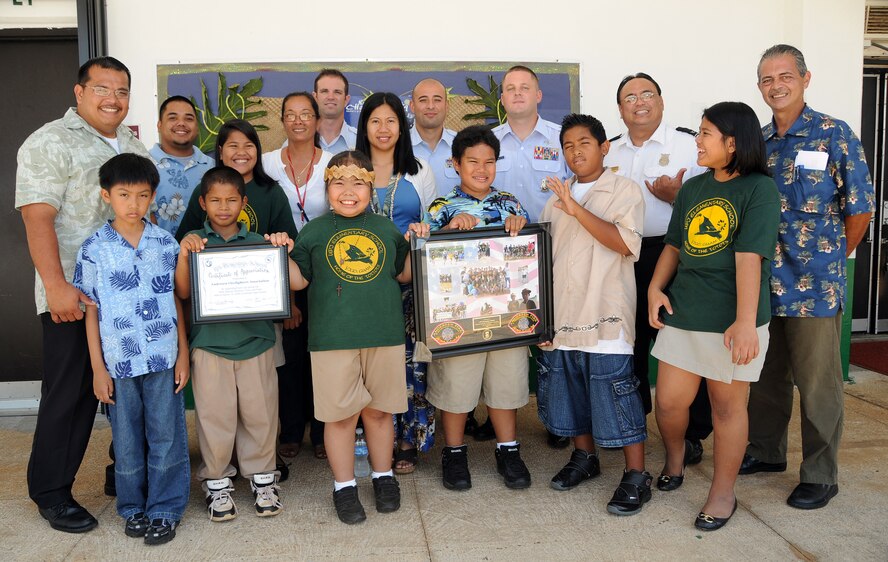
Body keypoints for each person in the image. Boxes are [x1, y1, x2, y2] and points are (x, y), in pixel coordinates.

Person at [15, 55, 149, 533]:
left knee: (128, 390)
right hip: (76, 297)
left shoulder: (133, 143)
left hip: (130, 300)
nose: (113, 99)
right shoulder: (50, 141)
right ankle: (51, 491)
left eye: (121, 91)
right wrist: (56, 286)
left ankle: (125, 473)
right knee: (71, 396)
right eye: (102, 89)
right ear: (80, 92)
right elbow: (37, 218)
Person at [741, 44, 875, 510]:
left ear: (805, 78)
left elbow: (860, 208)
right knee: (765, 377)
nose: (775, 86)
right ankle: (765, 451)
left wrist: (835, 259)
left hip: (815, 286)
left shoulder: (833, 134)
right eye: (766, 79)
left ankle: (820, 473)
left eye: (784, 76)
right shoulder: (757, 142)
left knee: (818, 384)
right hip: (763, 282)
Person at [649, 101, 781, 531]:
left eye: (705, 133)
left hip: (732, 318)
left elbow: (749, 258)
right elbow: (674, 244)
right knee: (668, 402)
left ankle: (723, 493)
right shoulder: (694, 187)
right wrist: (655, 287)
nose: (698, 141)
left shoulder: (760, 189)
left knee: (727, 409)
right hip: (686, 310)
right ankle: (675, 458)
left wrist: (745, 322)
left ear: (732, 141)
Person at [287, 151, 428, 524]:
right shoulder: (314, 231)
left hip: (384, 334)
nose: (348, 191)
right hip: (332, 339)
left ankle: (383, 477)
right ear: (327, 187)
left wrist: (419, 243)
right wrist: (278, 252)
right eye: (339, 182)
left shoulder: (386, 229)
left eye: (358, 183)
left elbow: (404, 275)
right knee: (341, 417)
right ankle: (344, 486)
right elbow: (297, 280)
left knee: (379, 412)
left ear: (370, 186)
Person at [537, 113, 651, 515]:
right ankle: (584, 458)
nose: (575, 151)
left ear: (604, 147)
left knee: (616, 392)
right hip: (564, 314)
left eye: (584, 143)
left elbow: (622, 243)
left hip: (606, 312)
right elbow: (545, 260)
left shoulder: (624, 190)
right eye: (568, 145)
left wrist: (575, 208)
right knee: (571, 392)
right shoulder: (555, 198)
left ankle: (636, 474)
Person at [75, 154, 190, 545]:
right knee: (125, 439)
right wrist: (97, 368)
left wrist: (183, 355)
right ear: (107, 195)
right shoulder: (93, 249)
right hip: (118, 363)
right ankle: (133, 507)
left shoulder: (165, 243)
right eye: (124, 194)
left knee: (166, 435)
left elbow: (176, 300)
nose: (134, 204)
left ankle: (165, 507)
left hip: (162, 357)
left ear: (152, 196)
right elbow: (92, 312)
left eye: (142, 195)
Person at [603, 73, 711, 462]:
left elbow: (712, 205)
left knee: (680, 346)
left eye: (647, 93)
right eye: (629, 97)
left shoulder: (688, 145)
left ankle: (694, 432)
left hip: (675, 256)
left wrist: (676, 195)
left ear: (662, 101)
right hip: (620, 259)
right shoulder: (608, 152)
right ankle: (631, 422)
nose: (639, 101)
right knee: (626, 344)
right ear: (620, 109)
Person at [174, 166, 288, 521]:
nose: (224, 207)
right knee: (215, 417)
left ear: (243, 202)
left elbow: (283, 285)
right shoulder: (194, 241)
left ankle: (262, 478)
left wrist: (280, 248)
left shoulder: (260, 243)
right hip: (210, 345)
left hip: (256, 341)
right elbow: (182, 292)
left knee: (261, 415)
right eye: (215, 200)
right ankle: (218, 481)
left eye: (231, 200)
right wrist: (184, 255)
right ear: (203, 203)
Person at [426, 125, 532, 491]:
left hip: (505, 313)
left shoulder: (511, 205)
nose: (482, 169)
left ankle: (509, 450)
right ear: (455, 164)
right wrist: (448, 233)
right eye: (472, 161)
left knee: (506, 380)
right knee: (457, 384)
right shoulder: (440, 208)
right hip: (459, 317)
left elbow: (529, 256)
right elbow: (426, 258)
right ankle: (454, 453)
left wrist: (521, 227)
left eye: (489, 161)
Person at [356, 92, 438, 474]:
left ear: (401, 127)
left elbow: (434, 225)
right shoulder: (351, 169)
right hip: (362, 289)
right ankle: (373, 436)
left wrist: (425, 230)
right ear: (364, 126)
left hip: (410, 286)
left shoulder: (420, 170)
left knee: (409, 364)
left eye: (391, 121)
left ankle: (408, 438)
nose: (384, 129)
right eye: (375, 121)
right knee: (369, 365)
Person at [262, 92, 332, 460]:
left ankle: (322, 432)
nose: (299, 120)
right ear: (283, 121)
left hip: (326, 274)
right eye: (291, 114)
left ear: (318, 121)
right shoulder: (267, 164)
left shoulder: (334, 165)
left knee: (322, 352)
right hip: (283, 273)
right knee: (288, 353)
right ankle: (291, 430)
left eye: (307, 114)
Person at [492, 65, 566, 222]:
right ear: (503, 99)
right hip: (499, 239)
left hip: (552, 238)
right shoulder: (486, 142)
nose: (517, 93)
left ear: (538, 96)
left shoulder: (562, 139)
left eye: (524, 88)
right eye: (510, 89)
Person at [150, 95, 214, 237]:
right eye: (172, 118)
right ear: (159, 125)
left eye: (189, 118)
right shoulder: (144, 164)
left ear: (197, 127)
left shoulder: (212, 167)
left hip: (205, 253)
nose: (181, 123)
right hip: (160, 255)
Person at [409, 78, 458, 196]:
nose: (430, 106)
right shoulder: (398, 146)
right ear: (412, 106)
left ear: (447, 106)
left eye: (437, 100)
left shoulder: (463, 145)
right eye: (423, 100)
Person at [313, 69, 357, 155]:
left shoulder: (359, 141)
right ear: (315, 97)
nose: (330, 97)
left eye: (337, 92)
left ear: (346, 100)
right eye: (324, 91)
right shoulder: (299, 142)